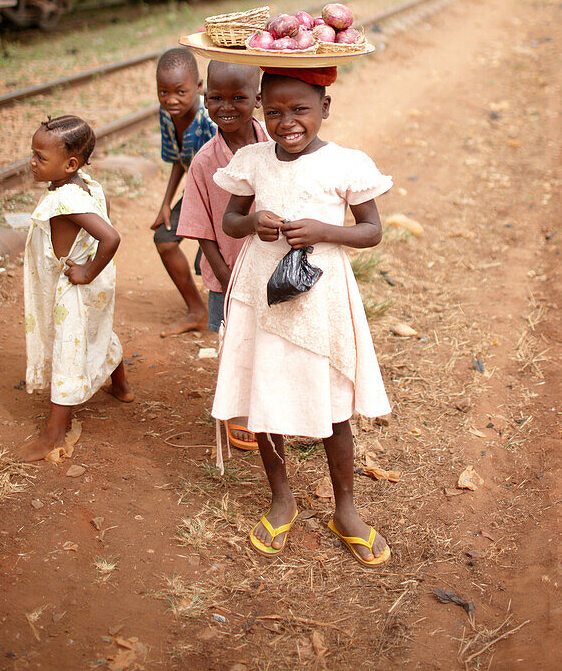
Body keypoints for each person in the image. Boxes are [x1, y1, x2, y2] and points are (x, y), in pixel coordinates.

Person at [211, 66, 392, 567]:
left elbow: (372, 231)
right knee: (264, 391)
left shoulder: (346, 164)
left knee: (331, 402)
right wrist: (253, 223)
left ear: (325, 109)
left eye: (300, 110)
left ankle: (346, 509)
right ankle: (281, 498)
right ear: (263, 115)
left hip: (320, 297)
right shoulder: (252, 160)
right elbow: (230, 219)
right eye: (275, 112)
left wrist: (323, 231)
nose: (288, 122)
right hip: (261, 292)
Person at [20, 115, 132, 461]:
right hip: (92, 281)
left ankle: (54, 433)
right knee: (96, 332)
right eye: (33, 153)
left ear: (70, 163)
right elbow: (106, 215)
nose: (32, 162)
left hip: (75, 286)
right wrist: (92, 269)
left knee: (69, 351)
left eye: (40, 157)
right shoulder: (87, 186)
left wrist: (84, 272)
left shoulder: (64, 200)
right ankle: (121, 387)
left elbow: (110, 236)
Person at [177, 60, 267, 451]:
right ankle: (237, 412)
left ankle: (269, 407)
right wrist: (225, 275)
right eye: (215, 98)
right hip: (226, 273)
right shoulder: (204, 162)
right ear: (204, 97)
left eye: (238, 98)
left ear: (258, 99)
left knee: (270, 340)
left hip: (271, 269)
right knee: (235, 343)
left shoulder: (276, 147)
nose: (225, 106)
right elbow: (200, 229)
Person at [152, 48, 216, 336]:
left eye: (180, 91)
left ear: (199, 87)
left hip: (223, 193)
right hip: (197, 190)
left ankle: (231, 317)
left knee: (211, 260)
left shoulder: (211, 120)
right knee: (164, 240)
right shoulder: (168, 115)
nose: (171, 100)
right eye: (163, 92)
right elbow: (179, 160)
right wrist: (166, 203)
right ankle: (197, 311)